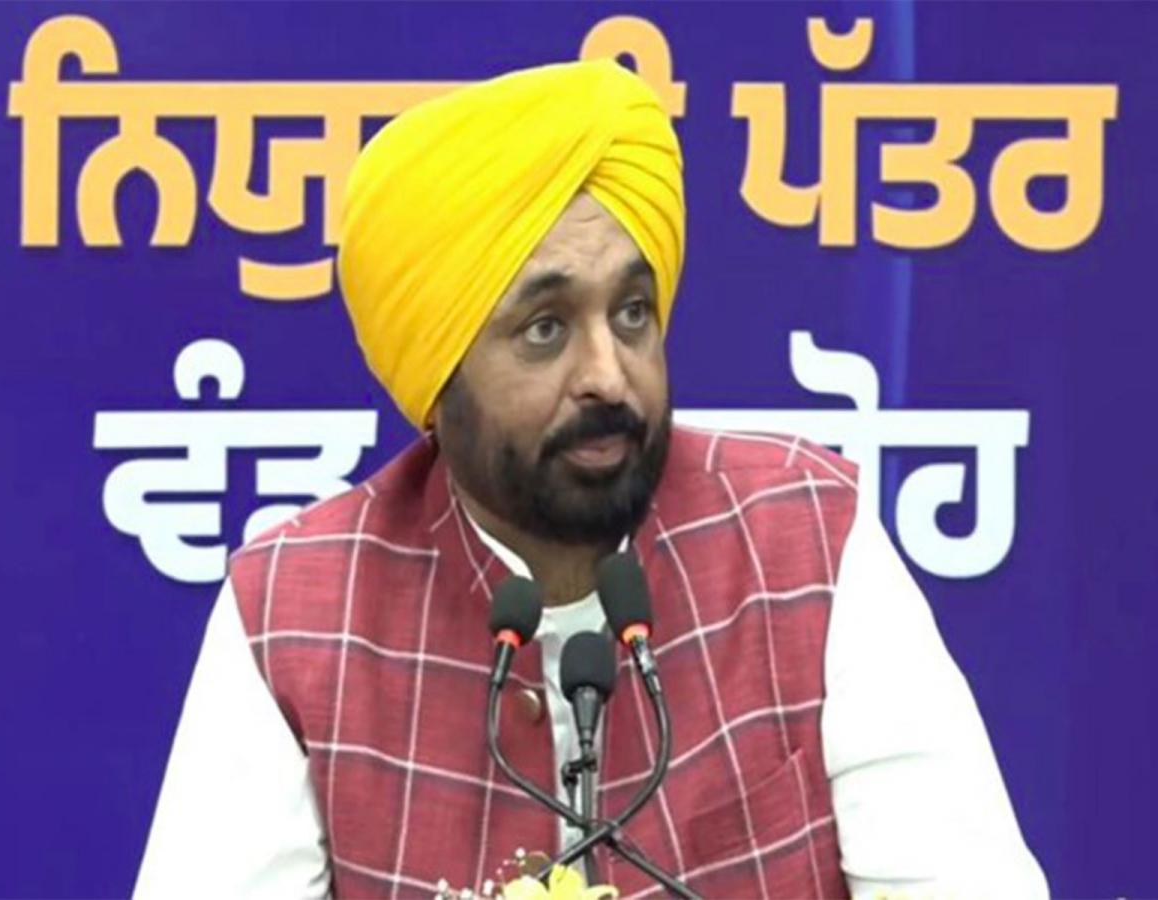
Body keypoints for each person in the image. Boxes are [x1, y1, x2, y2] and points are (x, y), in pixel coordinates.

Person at [134, 59, 1046, 899]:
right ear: (437, 379)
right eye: (545, 330)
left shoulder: (807, 537)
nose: (609, 376)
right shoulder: (294, 611)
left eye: (633, 313)